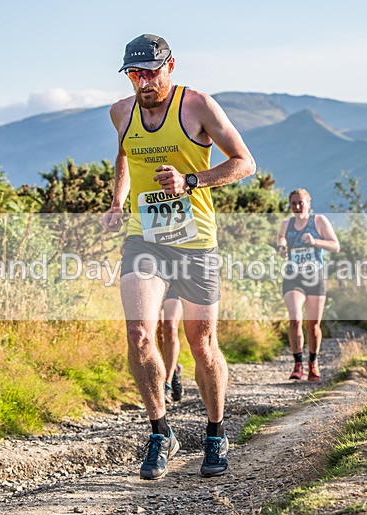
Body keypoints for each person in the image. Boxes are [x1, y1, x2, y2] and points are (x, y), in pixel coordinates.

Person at [100, 34, 255, 480]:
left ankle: (215, 431)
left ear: (171, 66)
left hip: (195, 242)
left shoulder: (198, 105)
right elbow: (125, 155)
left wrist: (192, 181)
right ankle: (159, 431)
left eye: (150, 72)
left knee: (202, 344)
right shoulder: (120, 112)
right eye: (134, 74)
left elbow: (245, 163)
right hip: (144, 239)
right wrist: (117, 203)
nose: (143, 82)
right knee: (139, 335)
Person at [276, 189, 340, 382]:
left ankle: (313, 362)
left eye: (301, 202)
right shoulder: (286, 224)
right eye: (293, 203)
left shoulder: (318, 221)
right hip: (293, 277)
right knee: (295, 320)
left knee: (313, 326)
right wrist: (281, 246)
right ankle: (297, 364)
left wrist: (316, 241)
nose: (297, 206)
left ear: (308, 203)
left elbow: (335, 246)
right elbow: (280, 238)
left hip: (315, 278)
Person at [156, 289, 184, 404]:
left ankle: (166, 384)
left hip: (176, 280)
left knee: (171, 327)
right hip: (152, 277)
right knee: (159, 329)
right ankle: (174, 369)